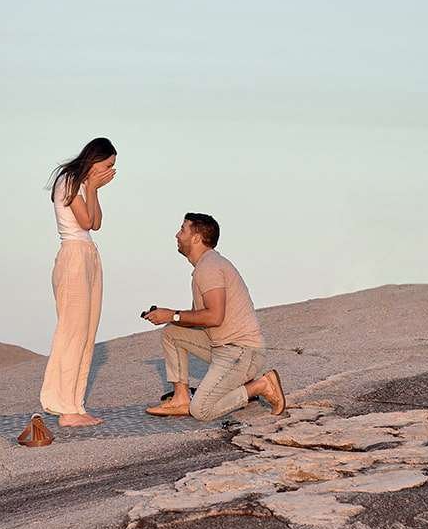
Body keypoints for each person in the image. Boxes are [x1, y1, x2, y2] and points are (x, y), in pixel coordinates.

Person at [142, 213, 285, 420]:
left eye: (182, 230)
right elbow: (199, 319)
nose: (177, 235)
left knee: (201, 410)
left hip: (242, 351)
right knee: (172, 333)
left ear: (196, 238)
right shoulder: (205, 266)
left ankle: (260, 386)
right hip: (223, 346)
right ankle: (181, 398)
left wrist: (172, 315)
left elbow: (214, 317)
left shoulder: (210, 267)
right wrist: (167, 316)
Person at [39, 137, 116, 427]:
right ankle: (64, 408)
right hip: (73, 256)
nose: (110, 171)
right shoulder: (69, 180)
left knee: (86, 332)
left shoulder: (83, 184)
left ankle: (75, 404)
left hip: (88, 254)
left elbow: (96, 223)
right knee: (72, 331)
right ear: (95, 160)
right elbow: (84, 222)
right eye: (108, 165)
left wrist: (93, 189)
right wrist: (93, 188)